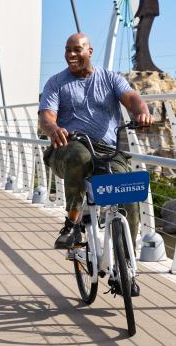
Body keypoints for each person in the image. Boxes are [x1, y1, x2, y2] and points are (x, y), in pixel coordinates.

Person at [38, 33, 153, 295]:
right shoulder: (56, 83)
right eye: (67, 50)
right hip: (67, 146)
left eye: (77, 50)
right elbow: (46, 117)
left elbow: (132, 97)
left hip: (106, 150)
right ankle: (71, 223)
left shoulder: (110, 78)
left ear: (90, 51)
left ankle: (126, 267)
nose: (71, 55)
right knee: (80, 156)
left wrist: (141, 112)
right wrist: (53, 128)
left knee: (127, 191)